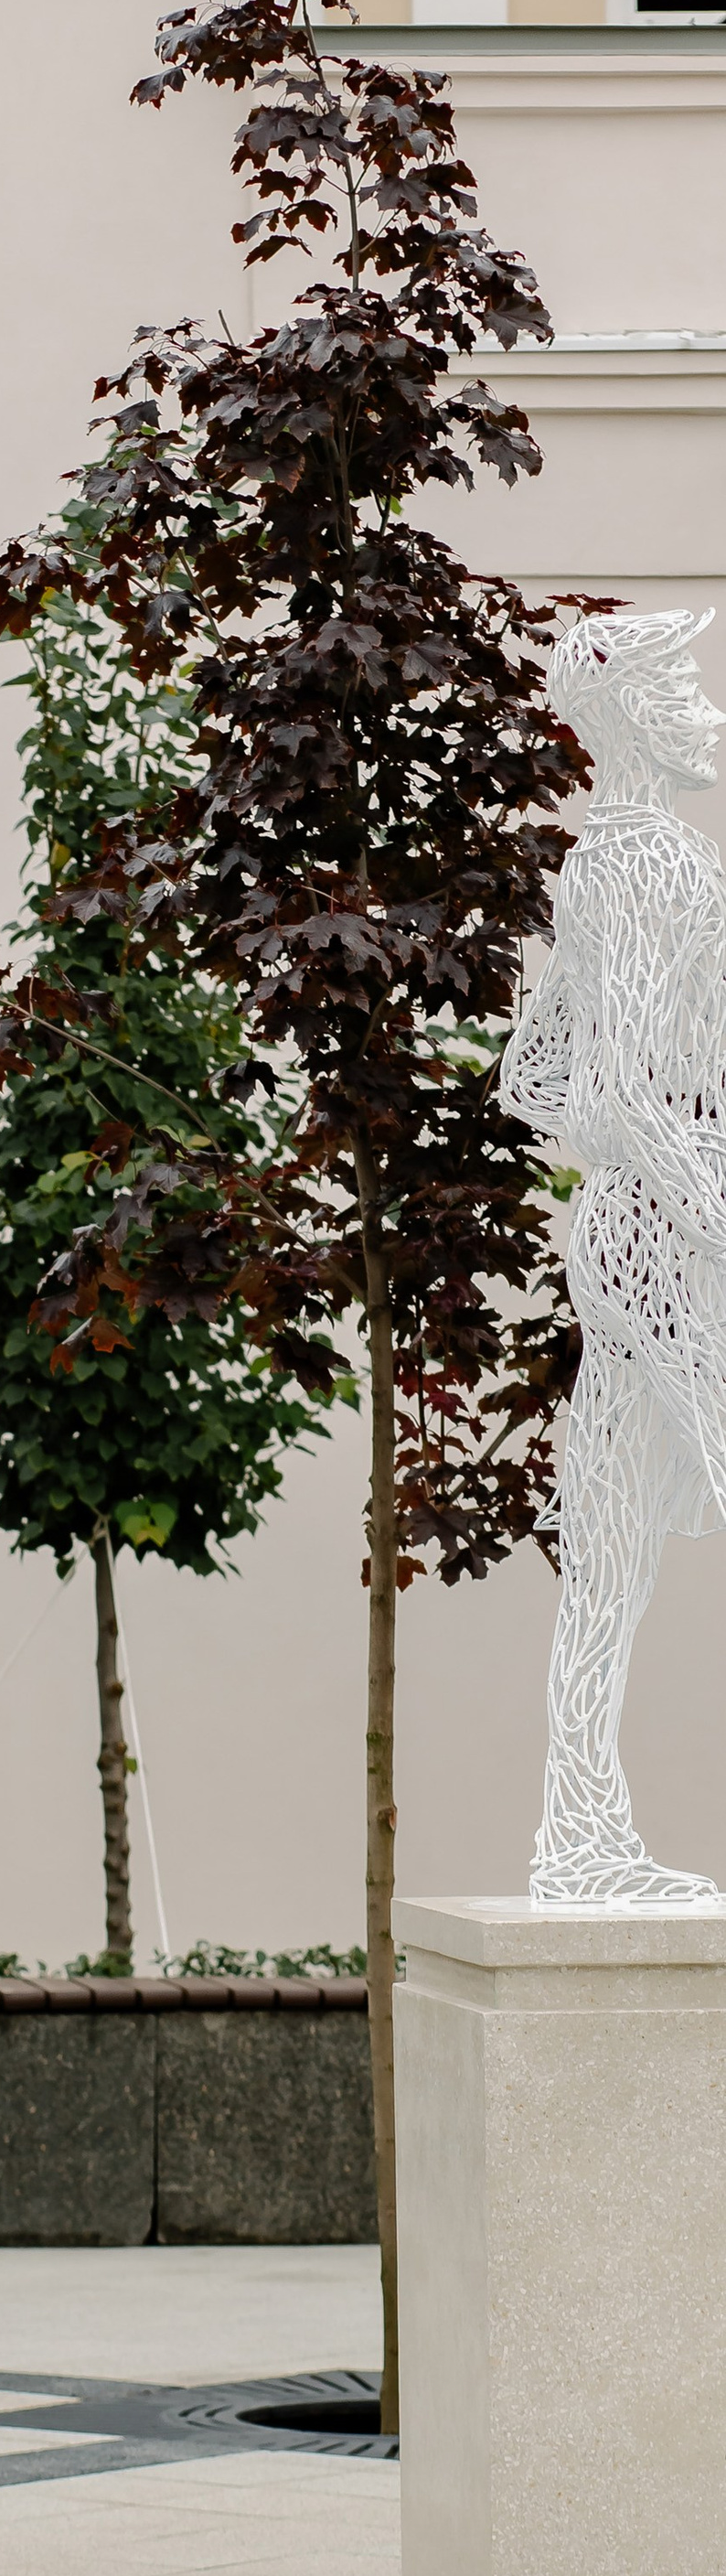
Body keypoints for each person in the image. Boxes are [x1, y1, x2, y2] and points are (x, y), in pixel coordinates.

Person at [504, 606, 726, 1904]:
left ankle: (578, 1828)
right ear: (635, 711)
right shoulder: (656, 867)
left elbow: (535, 1075)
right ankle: (581, 1831)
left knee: (610, 1540)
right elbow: (628, 1093)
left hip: (626, 1227)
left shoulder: (597, 866)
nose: (706, 708)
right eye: (684, 686)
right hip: (667, 1228)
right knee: (616, 1533)